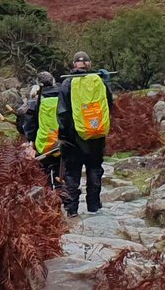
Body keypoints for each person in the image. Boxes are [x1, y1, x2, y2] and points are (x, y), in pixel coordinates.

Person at [57, 51, 113, 217]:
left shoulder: (67, 83)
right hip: (96, 136)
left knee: (72, 173)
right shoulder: (99, 81)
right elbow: (109, 104)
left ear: (75, 65)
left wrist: (63, 136)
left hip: (73, 138)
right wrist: (107, 82)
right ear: (90, 64)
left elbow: (62, 113)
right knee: (95, 169)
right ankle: (94, 207)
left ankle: (72, 209)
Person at [30, 71, 63, 190]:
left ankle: (49, 200)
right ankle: (63, 200)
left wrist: (30, 140)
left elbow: (30, 123)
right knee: (61, 175)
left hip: (43, 143)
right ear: (53, 80)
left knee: (44, 175)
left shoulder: (36, 100)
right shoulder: (63, 95)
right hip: (61, 142)